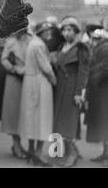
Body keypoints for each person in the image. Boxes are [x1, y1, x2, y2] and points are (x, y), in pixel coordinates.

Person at [18, 21, 57, 167]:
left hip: (31, 82)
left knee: (32, 118)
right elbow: (46, 68)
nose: (49, 34)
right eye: (46, 31)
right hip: (40, 83)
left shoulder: (33, 43)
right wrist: (54, 80)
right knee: (42, 118)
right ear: (40, 32)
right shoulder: (39, 44)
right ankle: (39, 154)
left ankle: (31, 151)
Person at [53, 16, 90, 167]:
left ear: (75, 31)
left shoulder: (81, 47)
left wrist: (79, 93)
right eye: (64, 30)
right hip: (60, 88)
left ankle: (72, 155)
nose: (67, 33)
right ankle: (68, 151)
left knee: (69, 121)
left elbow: (83, 71)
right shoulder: (62, 47)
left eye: (70, 30)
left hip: (72, 89)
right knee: (60, 122)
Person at [0, 27, 31, 159]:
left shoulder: (32, 40)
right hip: (13, 80)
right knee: (13, 113)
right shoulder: (11, 42)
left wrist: (26, 69)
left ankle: (21, 145)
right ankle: (16, 144)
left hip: (28, 79)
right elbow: (4, 59)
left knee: (26, 113)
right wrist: (14, 69)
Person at [85, 27, 108, 166]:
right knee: (103, 123)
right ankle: (105, 153)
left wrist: (91, 77)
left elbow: (105, 68)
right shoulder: (97, 48)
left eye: (97, 38)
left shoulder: (104, 48)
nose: (94, 40)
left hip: (103, 91)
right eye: (93, 38)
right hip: (99, 91)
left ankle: (106, 154)